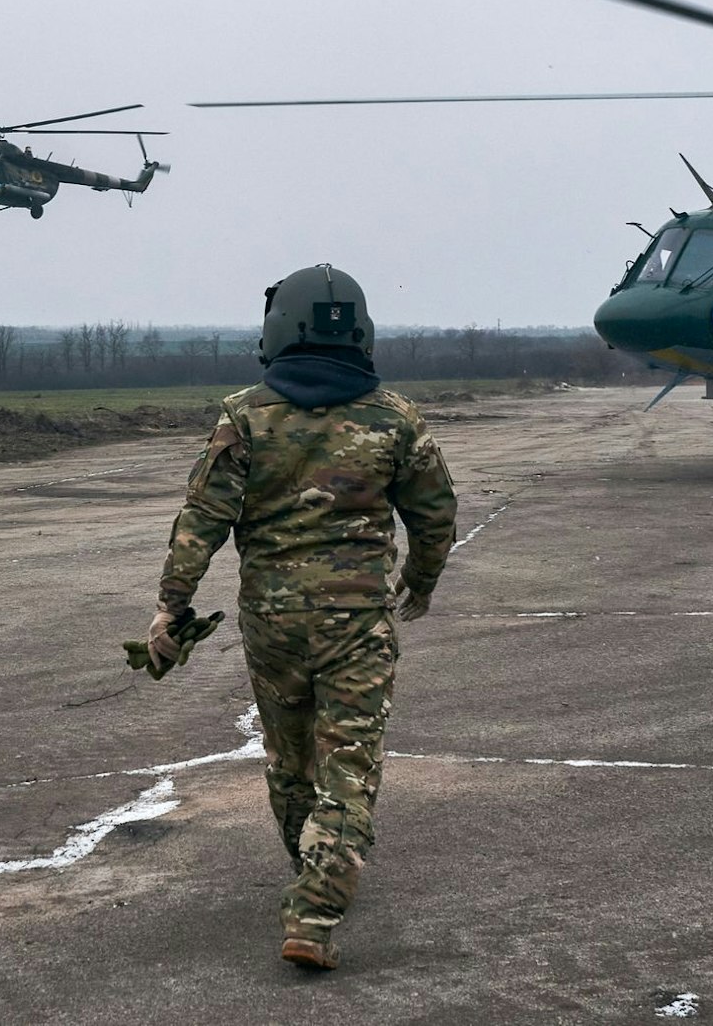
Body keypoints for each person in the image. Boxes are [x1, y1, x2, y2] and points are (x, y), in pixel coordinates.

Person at [147, 263, 457, 971]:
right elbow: (435, 512)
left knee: (290, 760)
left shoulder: (244, 415)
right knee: (349, 764)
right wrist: (422, 578)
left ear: (279, 328)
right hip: (356, 629)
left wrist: (172, 604)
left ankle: (310, 862)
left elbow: (202, 517)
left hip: (274, 626)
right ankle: (316, 908)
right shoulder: (396, 418)